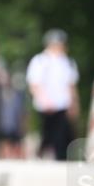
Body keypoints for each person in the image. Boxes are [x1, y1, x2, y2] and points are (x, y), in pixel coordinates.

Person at [26, 29, 80, 161]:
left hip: (63, 104)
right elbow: (34, 84)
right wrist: (44, 101)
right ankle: (41, 154)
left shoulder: (68, 62)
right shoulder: (40, 61)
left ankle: (60, 158)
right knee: (47, 132)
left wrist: (74, 103)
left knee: (62, 134)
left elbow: (71, 85)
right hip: (45, 105)